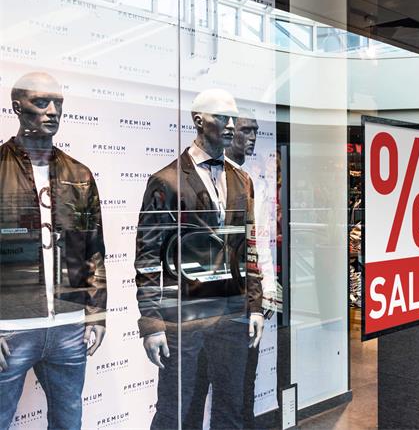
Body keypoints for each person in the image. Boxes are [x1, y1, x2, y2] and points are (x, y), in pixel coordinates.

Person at [135, 89, 265, 430]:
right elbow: (148, 257)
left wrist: (254, 305)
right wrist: (151, 321)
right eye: (221, 117)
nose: (231, 125)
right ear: (198, 120)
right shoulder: (166, 180)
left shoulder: (242, 180)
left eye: (233, 118)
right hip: (185, 314)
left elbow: (248, 248)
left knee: (231, 407)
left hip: (232, 312)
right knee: (176, 410)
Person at [0, 72, 107, 430]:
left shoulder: (80, 175)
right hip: (10, 328)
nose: (52, 111)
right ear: (17, 107)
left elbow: (93, 250)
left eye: (58, 103)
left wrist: (96, 312)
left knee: (68, 423)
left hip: (69, 326)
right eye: (41, 102)